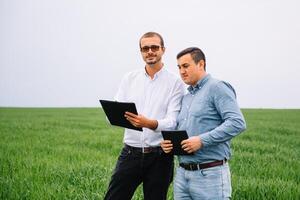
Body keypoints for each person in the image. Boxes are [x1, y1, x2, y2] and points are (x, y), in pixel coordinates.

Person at [104, 32, 185, 200]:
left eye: (154, 47)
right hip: (129, 154)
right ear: (141, 51)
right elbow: (114, 111)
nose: (150, 51)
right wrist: (114, 116)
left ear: (163, 50)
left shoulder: (175, 82)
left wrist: (149, 123)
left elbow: (172, 122)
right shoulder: (129, 78)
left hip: (160, 157)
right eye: (145, 48)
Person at [161, 47, 246, 199]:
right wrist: (170, 144)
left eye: (186, 66)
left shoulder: (217, 87)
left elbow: (237, 122)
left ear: (201, 64)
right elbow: (184, 130)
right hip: (182, 174)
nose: (181, 71)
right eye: (179, 67)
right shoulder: (186, 97)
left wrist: (201, 140)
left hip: (210, 175)